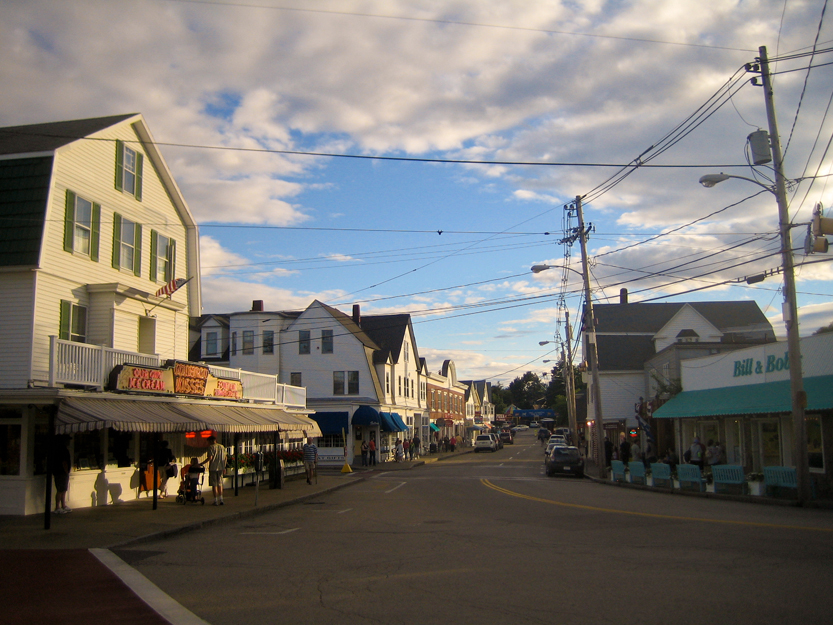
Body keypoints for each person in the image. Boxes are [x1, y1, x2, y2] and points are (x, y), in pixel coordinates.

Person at [200, 435, 226, 505]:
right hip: (221, 467)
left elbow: (210, 458)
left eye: (208, 442)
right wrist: (224, 466)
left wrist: (201, 463)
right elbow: (225, 457)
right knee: (220, 483)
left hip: (213, 467)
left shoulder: (211, 447)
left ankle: (215, 500)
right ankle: (221, 499)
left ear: (211, 441)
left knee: (214, 484)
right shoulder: (222, 447)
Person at [52, 435, 72, 514]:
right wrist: (66, 471)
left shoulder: (61, 449)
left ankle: (63, 505)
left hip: (62, 472)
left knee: (63, 489)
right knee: (60, 490)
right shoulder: (62, 450)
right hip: (60, 472)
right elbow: (64, 462)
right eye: (68, 440)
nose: (69, 442)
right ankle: (57, 507)